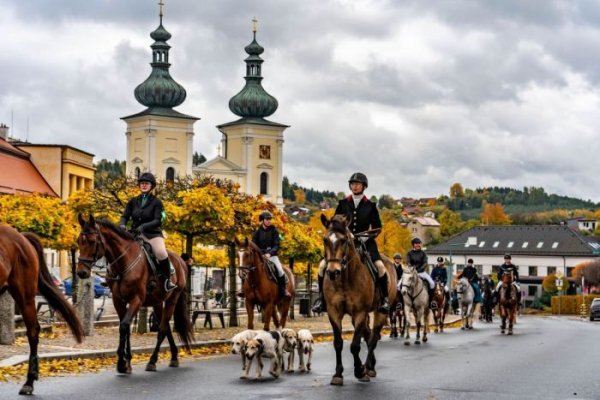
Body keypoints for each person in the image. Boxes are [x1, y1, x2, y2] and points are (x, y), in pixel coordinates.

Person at [312, 172, 390, 314]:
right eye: (353, 184)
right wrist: (342, 234)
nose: (355, 186)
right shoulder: (343, 203)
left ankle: (384, 299)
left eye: (358, 184)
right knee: (323, 266)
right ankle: (322, 300)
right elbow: (335, 223)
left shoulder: (371, 206)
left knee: (380, 267)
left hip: (366, 243)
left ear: (363, 186)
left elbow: (377, 227)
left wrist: (363, 237)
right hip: (343, 243)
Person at [119, 172, 176, 292]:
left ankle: (167, 280)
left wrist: (144, 226)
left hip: (152, 234)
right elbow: (125, 216)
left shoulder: (157, 202)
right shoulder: (133, 201)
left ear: (151, 186)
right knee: (119, 248)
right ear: (139, 185)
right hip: (135, 234)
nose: (144, 185)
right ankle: (114, 277)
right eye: (142, 183)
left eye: (147, 183)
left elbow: (157, 220)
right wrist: (122, 225)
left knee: (161, 252)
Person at [252, 211, 291, 299]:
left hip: (272, 256)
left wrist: (270, 253)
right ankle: (243, 290)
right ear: (262, 220)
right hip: (260, 256)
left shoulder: (274, 231)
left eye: (270, 219)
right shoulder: (257, 232)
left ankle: (283, 290)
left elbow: (277, 245)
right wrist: (260, 253)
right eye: (267, 219)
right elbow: (253, 244)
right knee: (248, 269)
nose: (269, 221)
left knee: (280, 271)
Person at [406, 237, 435, 308]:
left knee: (432, 283)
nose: (418, 245)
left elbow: (425, 263)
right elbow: (408, 262)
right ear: (413, 245)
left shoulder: (423, 253)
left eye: (419, 243)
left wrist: (419, 270)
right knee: (399, 285)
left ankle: (430, 301)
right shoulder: (409, 253)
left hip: (422, 272)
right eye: (416, 243)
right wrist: (412, 269)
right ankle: (402, 302)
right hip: (411, 272)